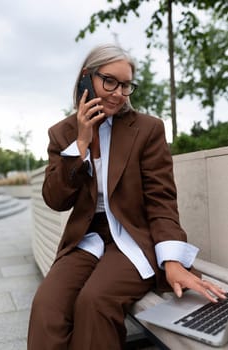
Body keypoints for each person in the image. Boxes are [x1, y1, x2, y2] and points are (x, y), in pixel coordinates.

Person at [28, 43, 226, 350]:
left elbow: (161, 200)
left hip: (133, 238)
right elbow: (55, 199)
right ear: (86, 79)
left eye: (126, 85)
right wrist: (81, 143)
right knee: (46, 306)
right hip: (87, 238)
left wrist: (172, 259)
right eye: (110, 81)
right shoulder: (62, 133)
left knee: (95, 302)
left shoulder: (147, 129)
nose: (119, 93)